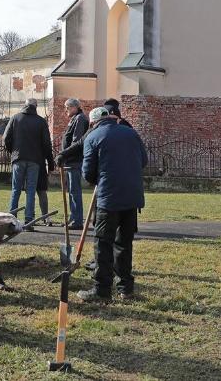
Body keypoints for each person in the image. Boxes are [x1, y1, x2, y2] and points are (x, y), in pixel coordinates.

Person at [78, 103, 148, 303]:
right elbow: (143, 161)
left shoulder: (92, 137)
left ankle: (102, 290)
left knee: (103, 243)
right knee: (124, 243)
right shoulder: (130, 133)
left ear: (93, 123)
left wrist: (100, 175)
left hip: (109, 199)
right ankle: (125, 288)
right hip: (132, 197)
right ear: (111, 117)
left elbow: (88, 174)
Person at [3, 98, 52, 229]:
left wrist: (13, 151)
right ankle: (29, 220)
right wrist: (50, 161)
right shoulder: (41, 121)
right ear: (36, 107)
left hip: (18, 158)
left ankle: (11, 220)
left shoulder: (15, 118)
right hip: (35, 160)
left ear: (24, 105)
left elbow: (6, 138)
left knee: (16, 189)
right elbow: (47, 144)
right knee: (31, 190)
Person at [55, 98, 89, 230]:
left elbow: (77, 142)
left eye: (67, 108)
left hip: (74, 160)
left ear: (75, 107)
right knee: (71, 191)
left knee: (75, 191)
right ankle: (73, 218)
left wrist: (64, 154)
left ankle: (77, 220)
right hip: (70, 161)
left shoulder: (80, 119)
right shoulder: (75, 118)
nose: (66, 110)